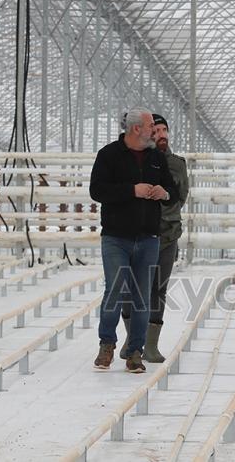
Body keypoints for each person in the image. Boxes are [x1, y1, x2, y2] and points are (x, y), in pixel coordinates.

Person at [89, 107, 178, 373]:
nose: (156, 129)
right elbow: (97, 190)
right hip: (116, 237)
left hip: (148, 237)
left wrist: (164, 193)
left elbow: (172, 190)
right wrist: (132, 190)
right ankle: (107, 344)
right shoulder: (109, 155)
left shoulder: (156, 159)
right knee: (115, 290)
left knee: (142, 296)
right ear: (136, 128)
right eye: (152, 125)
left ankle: (135, 351)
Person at [120, 113, 189, 363]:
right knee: (129, 287)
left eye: (164, 131)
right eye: (156, 130)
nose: (161, 135)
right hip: (137, 234)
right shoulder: (139, 159)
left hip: (167, 235)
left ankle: (150, 344)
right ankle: (131, 339)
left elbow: (181, 196)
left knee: (157, 289)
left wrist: (161, 204)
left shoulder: (177, 164)